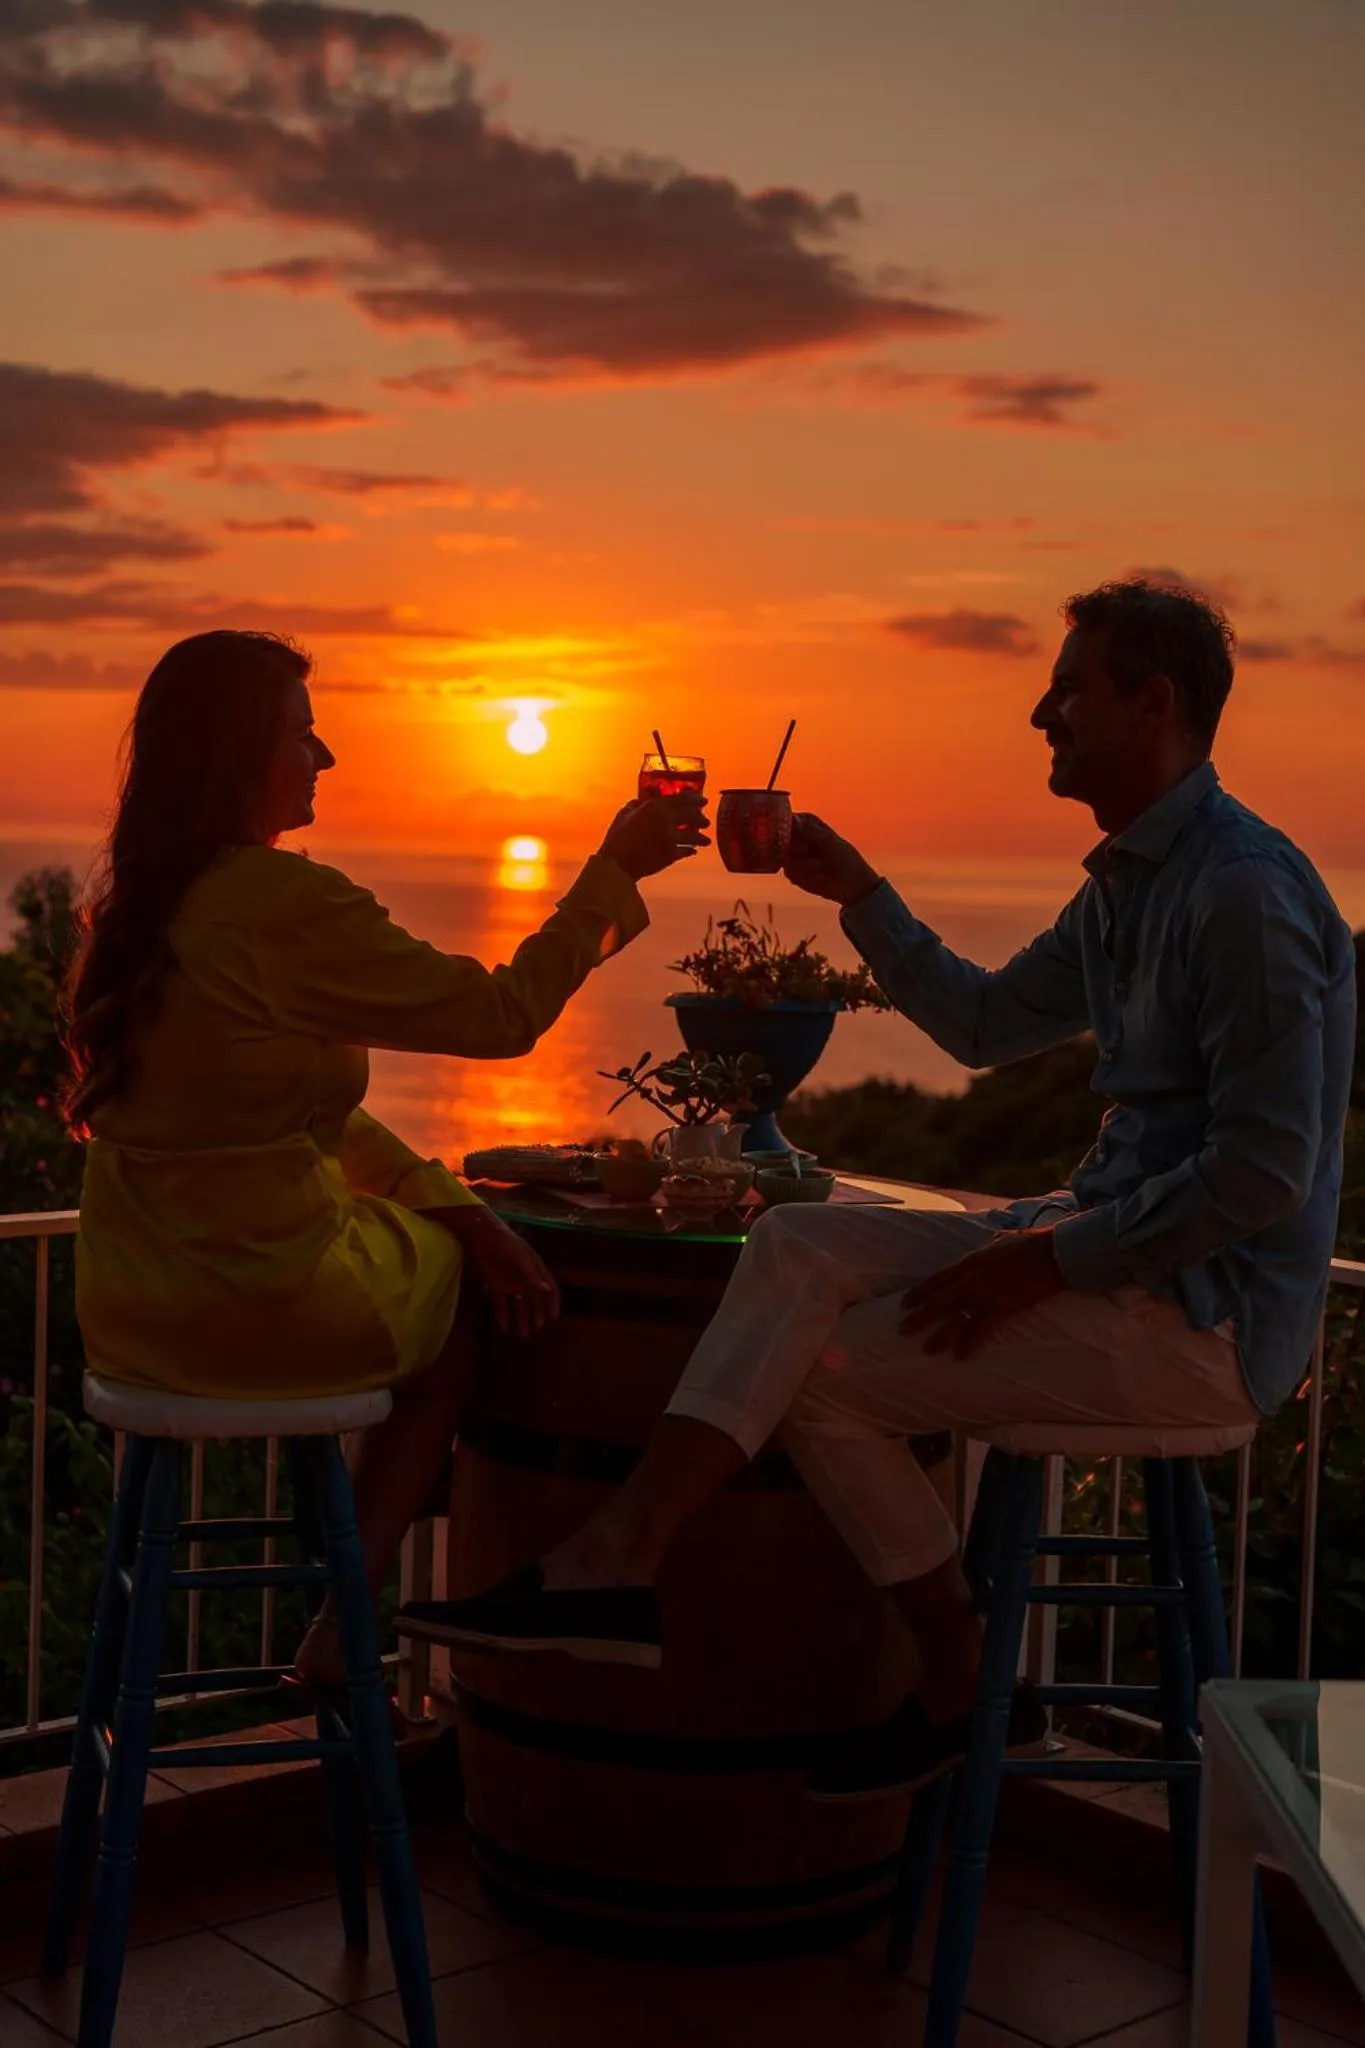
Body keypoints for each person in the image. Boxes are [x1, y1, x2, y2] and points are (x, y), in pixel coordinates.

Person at [398, 578, 1356, 1794]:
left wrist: (1045, 1258)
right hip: (1105, 1245)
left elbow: (1263, 1171)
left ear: (1152, 701)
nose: (1040, 714)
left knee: (812, 1377)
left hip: (1204, 1320)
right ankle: (617, 1562)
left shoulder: (1241, 893)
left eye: (1067, 689)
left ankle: (951, 1674)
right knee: (798, 1245)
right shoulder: (1130, 883)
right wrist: (859, 894)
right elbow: (985, 1024)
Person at [65, 628, 707, 1693]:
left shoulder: (144, 906)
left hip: (132, 1311)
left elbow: (292, 1117)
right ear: (237, 756)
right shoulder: (286, 904)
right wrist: (613, 872)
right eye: (303, 735)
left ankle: (376, 1556)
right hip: (256, 1299)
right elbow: (500, 1015)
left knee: (449, 1268)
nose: (324, 758)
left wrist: (459, 1209)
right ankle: (351, 1611)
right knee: (464, 1322)